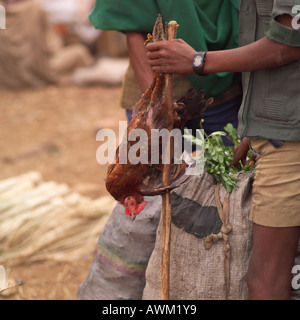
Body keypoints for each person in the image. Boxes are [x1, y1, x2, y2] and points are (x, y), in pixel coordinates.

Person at [146, 0, 300, 300]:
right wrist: (254, 127)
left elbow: (289, 44)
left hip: (290, 140)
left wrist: (198, 61)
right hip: (277, 129)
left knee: (265, 280)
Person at [89, 0, 243, 144]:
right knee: (153, 166)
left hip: (222, 92)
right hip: (152, 86)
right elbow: (133, 22)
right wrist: (155, 107)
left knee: (229, 166)